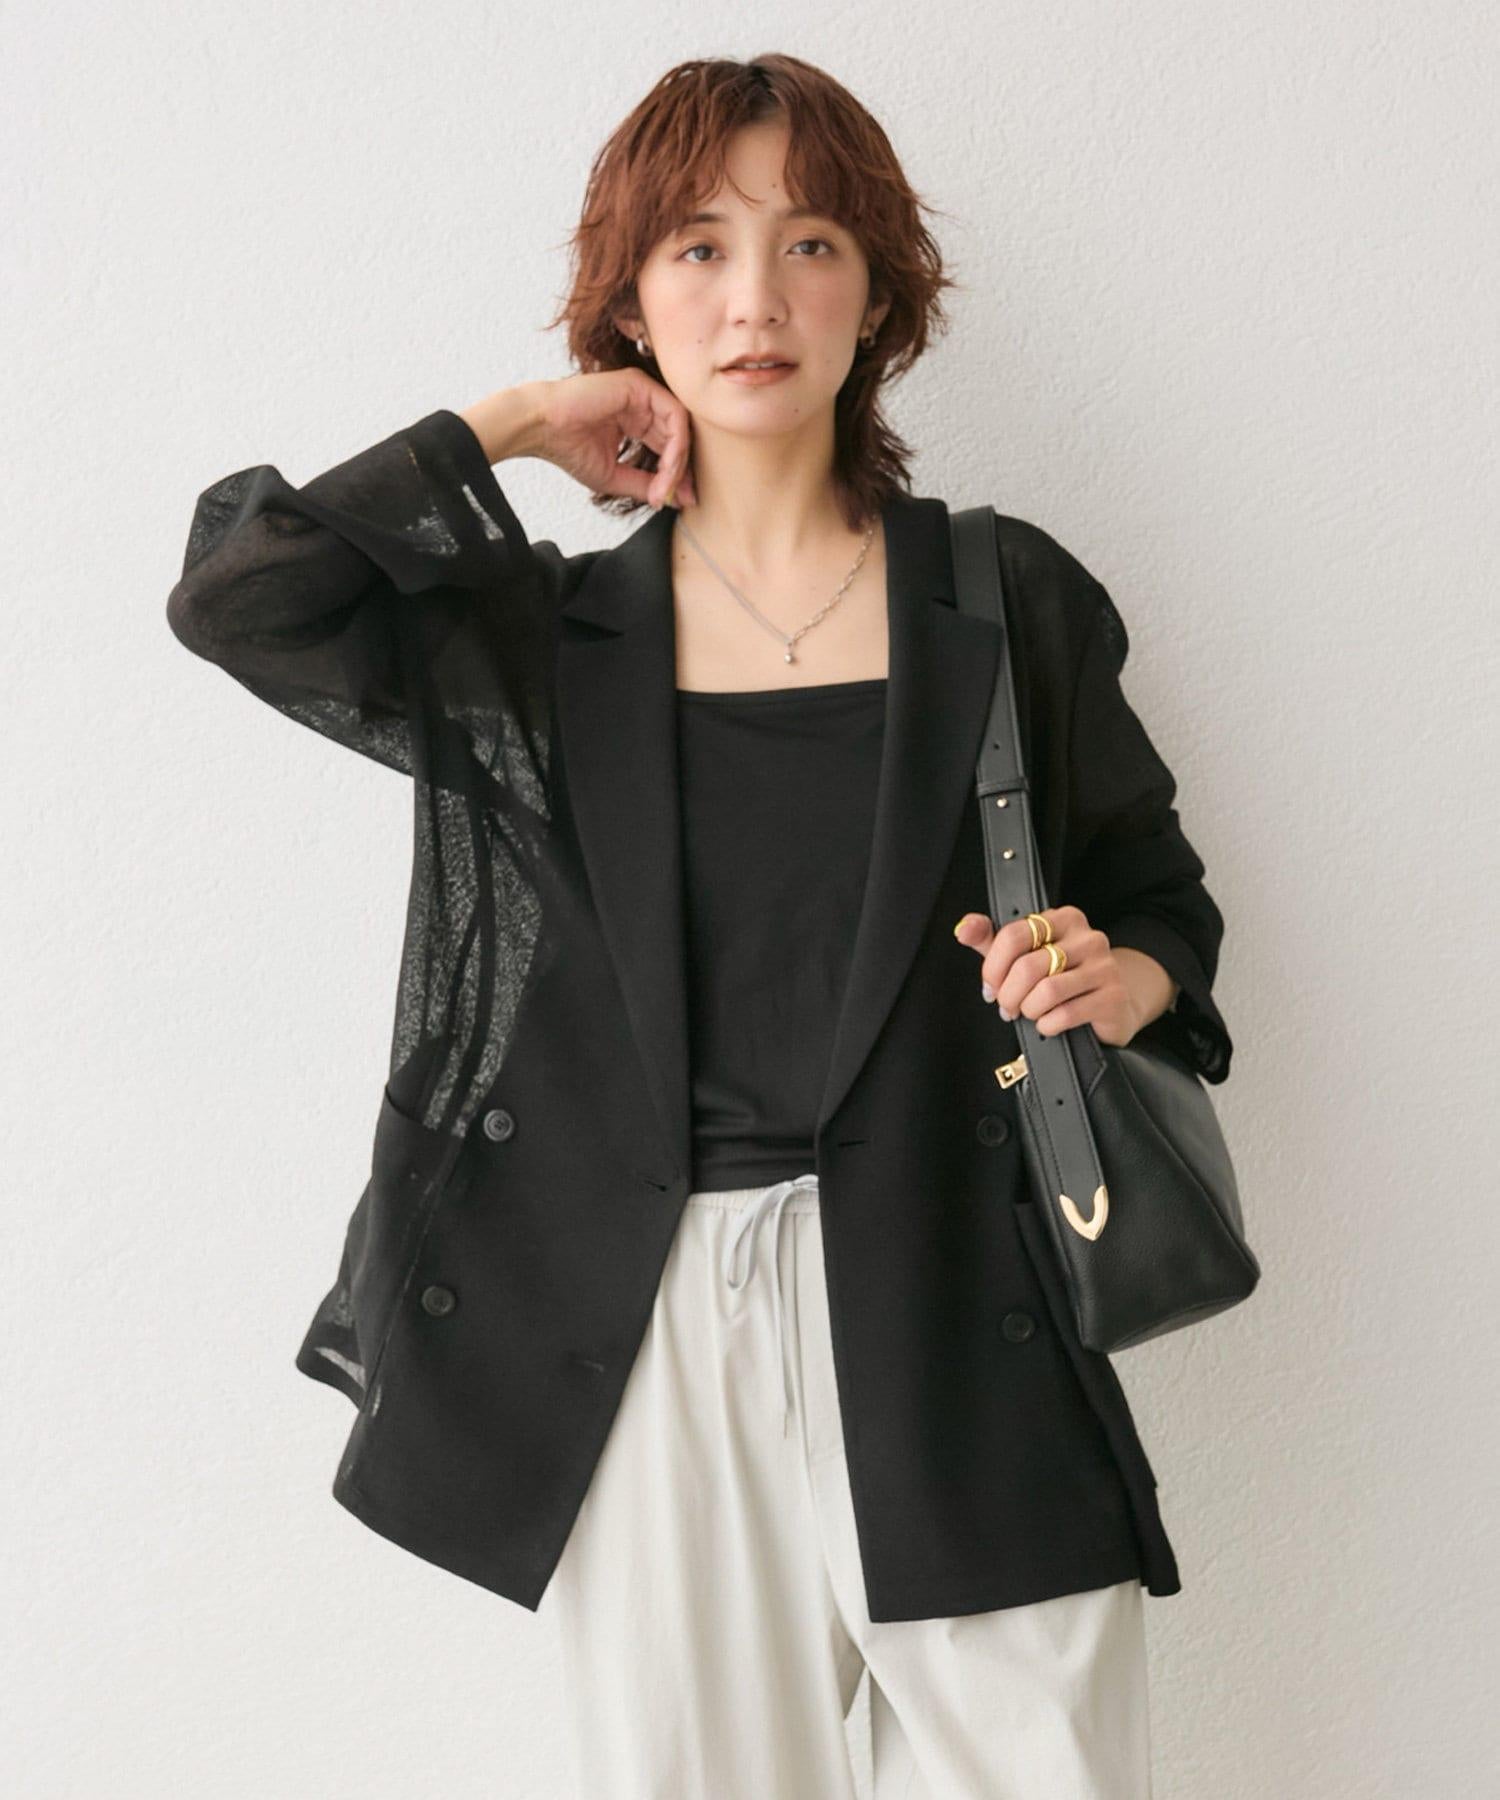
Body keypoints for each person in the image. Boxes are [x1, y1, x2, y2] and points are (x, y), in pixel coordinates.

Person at [167, 53, 1232, 1800]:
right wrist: (516, 424)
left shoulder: (1001, 594)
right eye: (698, 250)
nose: (756, 301)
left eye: (810, 244)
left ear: (876, 294)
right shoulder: (542, 644)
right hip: (649, 1327)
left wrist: (1122, 979)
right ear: (631, 305)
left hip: (964, 1302)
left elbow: (1163, 897)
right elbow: (241, 598)